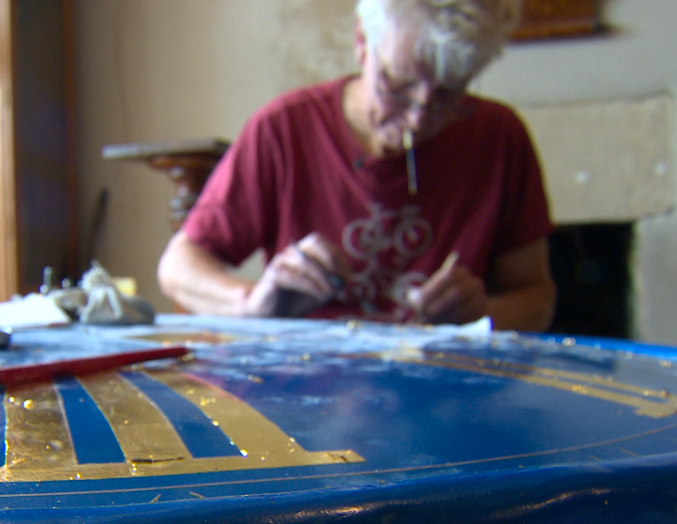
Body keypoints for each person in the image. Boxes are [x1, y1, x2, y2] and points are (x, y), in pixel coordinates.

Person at [158, 0, 556, 331]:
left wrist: (482, 312)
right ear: (363, 43)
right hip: (307, 392)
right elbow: (178, 268)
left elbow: (536, 298)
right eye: (398, 85)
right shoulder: (284, 128)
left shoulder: (500, 136)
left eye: (449, 94)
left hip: (441, 392)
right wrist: (252, 303)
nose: (419, 118)